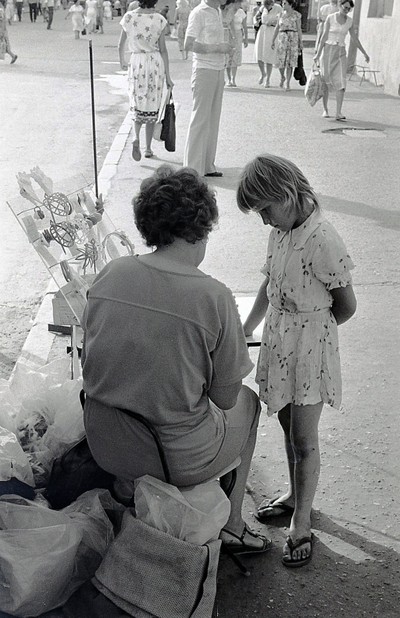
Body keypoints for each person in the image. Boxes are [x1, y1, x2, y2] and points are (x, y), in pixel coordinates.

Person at [81, 164, 271, 556]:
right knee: (250, 405)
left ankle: (128, 489)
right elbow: (226, 399)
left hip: (104, 441)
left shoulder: (111, 273)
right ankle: (233, 526)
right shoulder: (213, 296)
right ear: (202, 228)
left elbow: (96, 357)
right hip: (171, 457)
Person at [236, 153, 357, 567]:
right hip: (280, 341)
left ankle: (302, 522)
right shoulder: (281, 231)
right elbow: (269, 280)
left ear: (285, 194)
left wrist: (312, 332)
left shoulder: (323, 237)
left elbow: (346, 305)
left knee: (305, 439)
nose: (264, 220)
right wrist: (248, 326)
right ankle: (293, 494)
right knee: (288, 428)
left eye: (265, 209)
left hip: (308, 349)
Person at [183, 0, 234, 177]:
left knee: (213, 120)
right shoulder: (199, 12)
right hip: (204, 69)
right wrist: (217, 48)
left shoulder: (217, 11)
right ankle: (192, 169)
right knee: (200, 119)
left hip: (218, 69)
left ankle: (206, 165)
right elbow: (188, 44)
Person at [118, 0, 174, 160]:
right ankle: (148, 148)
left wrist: (122, 61)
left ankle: (136, 137)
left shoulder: (128, 17)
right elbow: (163, 50)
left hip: (137, 63)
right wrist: (168, 77)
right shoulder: (159, 19)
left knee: (137, 101)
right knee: (152, 104)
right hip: (155, 63)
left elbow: (120, 45)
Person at [314, 0, 369, 120]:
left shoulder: (349, 21)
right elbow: (323, 37)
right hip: (328, 51)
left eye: (349, 9)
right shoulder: (330, 18)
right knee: (326, 81)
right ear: (340, 6)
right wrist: (317, 54)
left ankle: (338, 112)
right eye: (345, 7)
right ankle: (325, 109)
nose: (346, 10)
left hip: (341, 53)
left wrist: (364, 53)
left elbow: (354, 39)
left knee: (341, 82)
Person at [271, 0, 302, 91]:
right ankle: (282, 77)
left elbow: (299, 29)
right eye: (282, 3)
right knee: (281, 61)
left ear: (290, 4)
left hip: (293, 38)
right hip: (282, 38)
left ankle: (288, 82)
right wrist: (273, 40)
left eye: (285, 3)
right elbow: (277, 28)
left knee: (290, 62)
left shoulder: (296, 15)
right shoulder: (280, 14)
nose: (283, 5)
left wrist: (301, 42)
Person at [254, 0, 282, 87]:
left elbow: (282, 19)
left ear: (272, 4)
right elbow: (256, 16)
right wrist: (255, 22)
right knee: (259, 55)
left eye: (267, 5)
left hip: (272, 32)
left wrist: (277, 23)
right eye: (264, 5)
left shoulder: (278, 8)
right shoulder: (262, 8)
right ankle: (263, 73)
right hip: (263, 31)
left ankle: (268, 79)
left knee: (269, 55)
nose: (266, 6)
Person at [222, 0, 248, 87]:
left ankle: (233, 78)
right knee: (228, 56)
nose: (239, 4)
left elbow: (244, 26)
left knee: (235, 57)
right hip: (228, 34)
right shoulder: (228, 10)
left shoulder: (241, 12)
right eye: (238, 2)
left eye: (240, 3)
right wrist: (232, 36)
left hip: (237, 34)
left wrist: (246, 38)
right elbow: (230, 25)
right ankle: (229, 78)